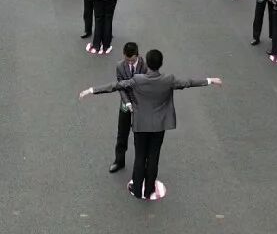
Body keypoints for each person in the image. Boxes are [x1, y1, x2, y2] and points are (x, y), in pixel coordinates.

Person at [78, 49, 222, 199]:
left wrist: (91, 90)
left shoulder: (137, 79)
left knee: (140, 157)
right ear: (161, 63)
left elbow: (115, 86)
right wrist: (210, 80)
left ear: (147, 63)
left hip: (141, 125)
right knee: (153, 157)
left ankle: (137, 189)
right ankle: (149, 190)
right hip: (159, 126)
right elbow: (189, 83)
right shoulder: (168, 79)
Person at [109, 42, 148, 173]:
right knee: (122, 134)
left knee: (141, 136)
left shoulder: (146, 67)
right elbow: (120, 87)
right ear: (124, 55)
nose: (130, 63)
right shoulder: (120, 66)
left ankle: (141, 165)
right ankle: (119, 161)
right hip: (126, 104)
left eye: (132, 60)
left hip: (141, 105)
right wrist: (127, 103)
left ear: (138, 55)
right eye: (127, 60)